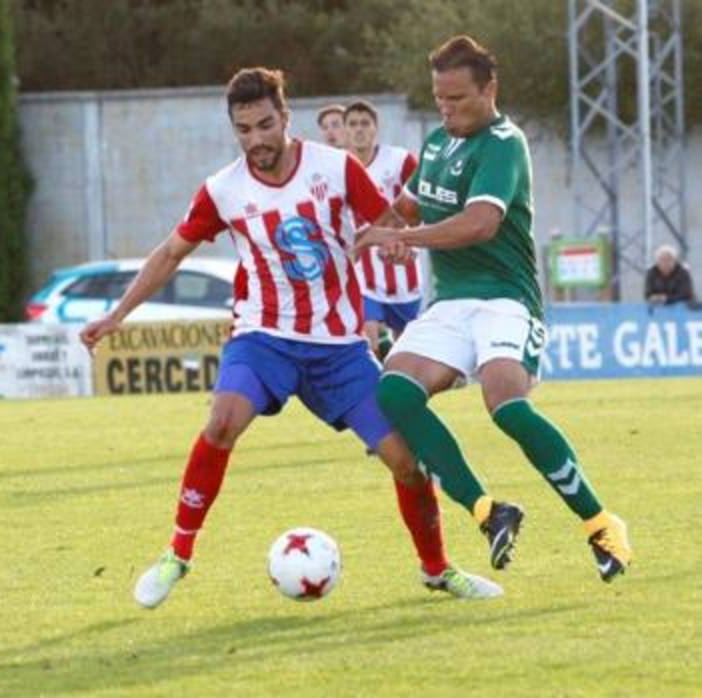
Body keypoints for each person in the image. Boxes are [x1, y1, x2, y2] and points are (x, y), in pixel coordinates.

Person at [80, 67, 502, 610]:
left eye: (264, 124)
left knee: (405, 461)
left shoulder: (336, 168)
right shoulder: (222, 189)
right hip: (265, 337)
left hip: (340, 350)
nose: (256, 139)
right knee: (222, 421)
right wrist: (117, 315)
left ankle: (438, 570)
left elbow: (388, 222)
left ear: (285, 116)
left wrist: (397, 243)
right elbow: (169, 254)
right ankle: (176, 555)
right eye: (243, 130)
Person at [354, 35, 632, 583]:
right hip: (451, 304)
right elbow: (406, 206)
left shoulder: (505, 143)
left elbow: (481, 222)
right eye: (440, 99)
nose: (448, 109)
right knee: (392, 391)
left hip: (506, 300)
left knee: (504, 402)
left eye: (458, 98)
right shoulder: (436, 143)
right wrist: (378, 229)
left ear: (490, 90)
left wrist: (408, 239)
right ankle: (489, 512)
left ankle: (601, 524)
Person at [344, 100, 423, 358]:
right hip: (363, 274)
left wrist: (412, 234)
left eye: (365, 123)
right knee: (369, 343)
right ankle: (373, 392)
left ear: (376, 127)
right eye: (353, 124)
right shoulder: (339, 167)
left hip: (404, 269)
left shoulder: (399, 160)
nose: (359, 130)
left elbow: (423, 199)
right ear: (346, 130)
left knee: (406, 351)